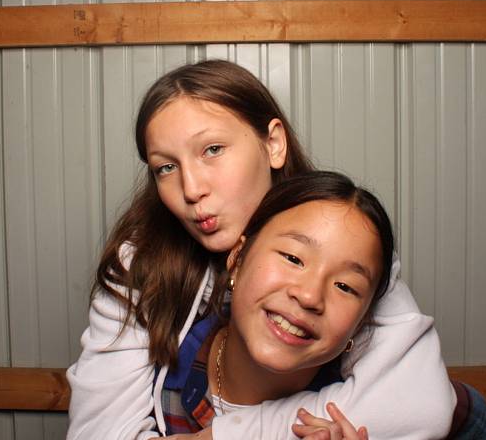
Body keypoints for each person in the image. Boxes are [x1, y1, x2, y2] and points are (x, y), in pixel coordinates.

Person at [66, 60, 457, 439]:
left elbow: (421, 404)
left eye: (212, 150)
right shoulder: (140, 263)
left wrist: (225, 436)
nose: (191, 189)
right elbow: (97, 430)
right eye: (165, 167)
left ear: (273, 144)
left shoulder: (348, 241)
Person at [160, 171, 395, 440]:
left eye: (344, 286)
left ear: (361, 322)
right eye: (293, 258)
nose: (309, 296)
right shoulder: (153, 366)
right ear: (237, 258)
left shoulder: (361, 413)